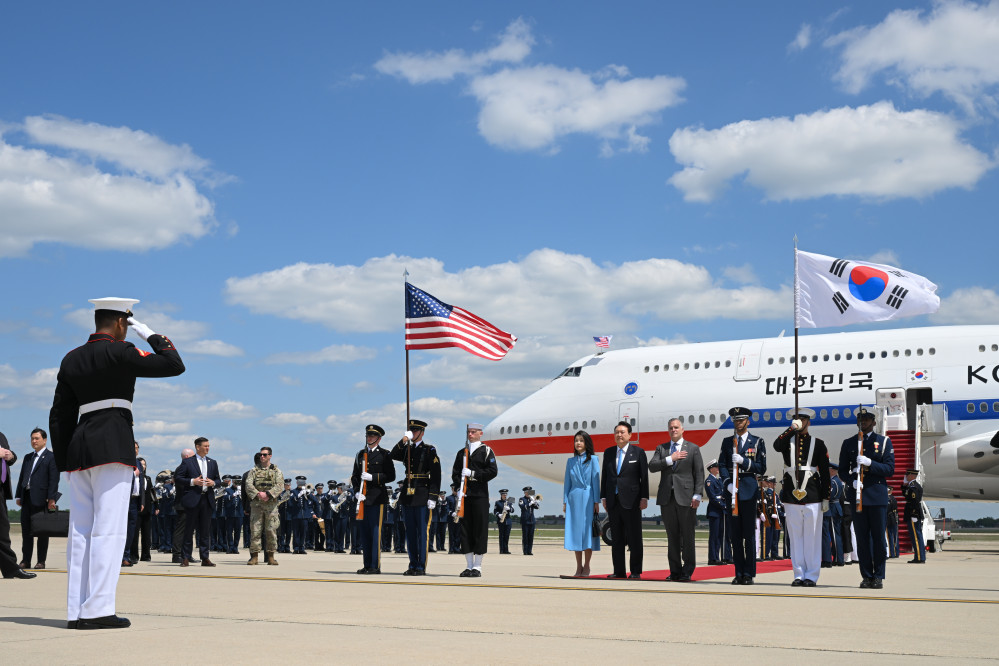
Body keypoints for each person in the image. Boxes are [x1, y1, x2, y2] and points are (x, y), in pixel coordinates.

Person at [49, 298, 184, 628]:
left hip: (79, 449)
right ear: (122, 324)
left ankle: (77, 610)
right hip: (112, 442)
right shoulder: (120, 352)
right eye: (128, 324)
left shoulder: (71, 358)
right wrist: (148, 332)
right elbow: (173, 364)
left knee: (80, 532)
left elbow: (60, 414)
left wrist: (66, 460)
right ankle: (98, 610)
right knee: (109, 529)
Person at [773, 408, 830, 587]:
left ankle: (811, 576)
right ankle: (798, 574)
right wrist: (791, 429)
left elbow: (825, 473)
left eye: (802, 420)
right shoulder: (787, 442)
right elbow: (776, 445)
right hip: (791, 495)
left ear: (808, 422)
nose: (800, 422)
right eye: (797, 420)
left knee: (812, 537)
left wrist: (826, 496)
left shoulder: (819, 444)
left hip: (813, 494)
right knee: (795, 537)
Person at [838, 407, 894, 589]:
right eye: (860, 419)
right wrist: (852, 481)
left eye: (867, 419)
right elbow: (842, 470)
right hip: (858, 495)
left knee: (878, 538)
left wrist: (871, 463)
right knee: (862, 539)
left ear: (874, 422)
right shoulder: (849, 443)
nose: (863, 422)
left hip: (876, 495)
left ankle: (878, 576)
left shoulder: (884, 442)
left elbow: (889, 469)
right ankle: (866, 576)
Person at [649, 418, 703, 582]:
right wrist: (670, 459)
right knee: (672, 536)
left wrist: (697, 494)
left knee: (688, 536)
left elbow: (699, 473)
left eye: (676, 427)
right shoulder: (662, 448)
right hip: (667, 498)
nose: (673, 430)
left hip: (686, 498)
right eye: (671, 428)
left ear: (682, 429)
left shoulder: (693, 448)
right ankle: (674, 571)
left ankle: (687, 571)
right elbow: (652, 466)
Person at [718, 407, 767, 585]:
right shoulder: (727, 442)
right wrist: (727, 483)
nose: (738, 423)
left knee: (748, 535)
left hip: (748, 490)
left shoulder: (757, 442)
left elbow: (762, 467)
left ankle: (749, 573)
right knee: (735, 535)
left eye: (741, 420)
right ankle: (738, 572)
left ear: (748, 421)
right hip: (732, 492)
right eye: (735, 420)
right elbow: (722, 464)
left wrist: (744, 462)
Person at [391, 418, 442, 575]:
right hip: (408, 495)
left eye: (415, 431)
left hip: (422, 494)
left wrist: (433, 497)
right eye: (410, 431)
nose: (412, 433)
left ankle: (420, 566)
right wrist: (403, 440)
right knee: (410, 533)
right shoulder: (407, 449)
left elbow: (436, 476)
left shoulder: (429, 450)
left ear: (422, 432)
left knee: (422, 532)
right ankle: (412, 564)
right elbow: (393, 454)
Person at [600, 421, 649, 579]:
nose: (619, 435)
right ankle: (619, 571)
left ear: (630, 435)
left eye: (622, 432)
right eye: (617, 432)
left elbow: (644, 477)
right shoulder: (608, 453)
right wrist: (604, 496)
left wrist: (644, 497)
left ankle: (635, 571)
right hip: (613, 501)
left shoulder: (638, 452)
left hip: (632, 501)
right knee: (617, 538)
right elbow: (605, 477)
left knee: (634, 538)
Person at [452, 423, 498, 577]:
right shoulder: (462, 453)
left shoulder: (486, 451)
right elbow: (455, 473)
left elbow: (492, 471)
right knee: (466, 530)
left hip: (479, 495)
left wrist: (473, 474)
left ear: (480, 433)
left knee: (479, 529)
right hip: (465, 496)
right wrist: (459, 485)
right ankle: (469, 565)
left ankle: (477, 566)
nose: (470, 434)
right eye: (468, 432)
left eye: (473, 432)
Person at [351, 424, 396, 574]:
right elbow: (355, 476)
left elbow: (391, 476)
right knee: (364, 533)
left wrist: (373, 477)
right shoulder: (360, 454)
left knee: (375, 533)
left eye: (372, 436)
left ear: (379, 438)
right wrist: (357, 492)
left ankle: (375, 566)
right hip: (363, 498)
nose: (369, 438)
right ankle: (367, 564)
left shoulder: (384, 454)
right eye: (367, 435)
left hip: (377, 498)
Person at [15, 427, 59, 570]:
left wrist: (52, 498)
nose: (34, 441)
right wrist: (19, 495)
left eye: (37, 438)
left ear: (44, 440)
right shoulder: (28, 457)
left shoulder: (51, 457)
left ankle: (41, 561)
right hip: (26, 498)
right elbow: (22, 477)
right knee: (26, 531)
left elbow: (54, 479)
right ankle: (25, 560)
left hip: (42, 499)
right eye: (32, 438)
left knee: (42, 532)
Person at [175, 437, 222, 567]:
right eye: (205, 446)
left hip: (206, 499)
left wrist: (214, 483)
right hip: (192, 499)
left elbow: (218, 480)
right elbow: (178, 478)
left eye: (209, 446)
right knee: (189, 530)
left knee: (205, 531)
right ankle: (185, 557)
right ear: (197, 447)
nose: (208, 448)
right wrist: (192, 481)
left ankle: (205, 557)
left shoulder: (212, 462)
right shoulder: (188, 462)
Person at [562, 430, 600, 577]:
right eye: (576, 440)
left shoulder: (593, 460)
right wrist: (565, 501)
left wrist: (596, 501)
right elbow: (567, 483)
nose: (578, 443)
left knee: (587, 533)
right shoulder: (570, 461)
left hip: (589, 497)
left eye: (581, 440)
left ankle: (587, 566)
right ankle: (578, 567)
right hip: (574, 498)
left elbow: (596, 482)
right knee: (576, 533)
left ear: (586, 443)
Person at [2, 429, 36, 580]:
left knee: (2, 530)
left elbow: (10, 457)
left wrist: (10, 456)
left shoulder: (1, 435)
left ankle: (10, 568)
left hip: (1, 489)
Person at [245, 449, 284, 565]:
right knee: (255, 531)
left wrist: (268, 494)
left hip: (271, 506)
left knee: (271, 531)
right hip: (257, 505)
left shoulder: (276, 471)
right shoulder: (253, 471)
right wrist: (258, 494)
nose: (262, 456)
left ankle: (271, 556)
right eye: (261, 454)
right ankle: (254, 556)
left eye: (265, 455)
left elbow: (280, 485)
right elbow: (248, 484)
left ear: (270, 456)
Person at [122, 442, 144, 567]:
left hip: (135, 500)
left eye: (137, 448)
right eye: (133, 448)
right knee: (121, 529)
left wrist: (141, 501)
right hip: (124, 500)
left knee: (131, 530)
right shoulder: (123, 462)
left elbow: (141, 483)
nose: (135, 450)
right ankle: (120, 556)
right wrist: (132, 475)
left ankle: (126, 555)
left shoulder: (138, 463)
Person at [704, 459, 727, 565]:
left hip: (720, 511)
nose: (718, 469)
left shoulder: (718, 480)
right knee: (714, 536)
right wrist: (723, 505)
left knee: (719, 535)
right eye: (716, 467)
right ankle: (712, 558)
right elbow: (713, 498)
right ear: (711, 469)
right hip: (715, 511)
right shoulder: (709, 481)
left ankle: (716, 557)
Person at [823, 464, 845, 567]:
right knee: (836, 534)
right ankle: (838, 558)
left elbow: (829, 495)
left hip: (832, 508)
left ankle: (838, 558)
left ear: (832, 470)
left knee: (835, 535)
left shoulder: (833, 481)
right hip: (835, 507)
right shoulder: (837, 480)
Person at [902, 469, 926, 564]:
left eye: (907, 475)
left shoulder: (913, 487)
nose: (906, 476)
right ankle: (919, 556)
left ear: (912, 475)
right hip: (913, 513)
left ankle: (919, 558)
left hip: (913, 513)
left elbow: (914, 502)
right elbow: (905, 495)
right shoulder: (911, 485)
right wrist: (904, 485)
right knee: (916, 536)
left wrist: (914, 514)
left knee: (916, 536)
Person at [519, 487, 539, 555]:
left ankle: (529, 550)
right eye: (527, 492)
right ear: (525, 492)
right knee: (525, 536)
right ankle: (525, 551)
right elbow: (523, 507)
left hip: (532, 520)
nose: (529, 493)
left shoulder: (531, 499)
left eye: (530, 492)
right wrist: (530, 503)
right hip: (525, 520)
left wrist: (535, 502)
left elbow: (537, 507)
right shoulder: (522, 499)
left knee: (531, 536)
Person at [493, 489, 514, 555]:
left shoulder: (509, 502)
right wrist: (498, 514)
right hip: (501, 521)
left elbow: (513, 510)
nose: (505, 496)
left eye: (505, 494)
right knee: (501, 536)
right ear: (501, 495)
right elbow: (494, 511)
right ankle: (501, 550)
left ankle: (506, 550)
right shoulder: (497, 502)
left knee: (507, 536)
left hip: (508, 521)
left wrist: (509, 508)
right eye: (503, 494)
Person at [446, 484, 461, 553]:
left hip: (459, 518)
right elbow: (447, 508)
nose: (455, 491)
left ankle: (457, 548)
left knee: (458, 534)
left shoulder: (460, 498)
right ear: (452, 489)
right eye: (454, 489)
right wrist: (451, 513)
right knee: (451, 534)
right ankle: (451, 549)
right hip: (451, 518)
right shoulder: (449, 498)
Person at [886, 488, 900, 559]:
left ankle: (892, 553)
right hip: (895, 518)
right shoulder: (894, 498)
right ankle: (896, 552)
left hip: (889, 518)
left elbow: (887, 509)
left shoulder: (888, 499)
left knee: (890, 536)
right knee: (895, 536)